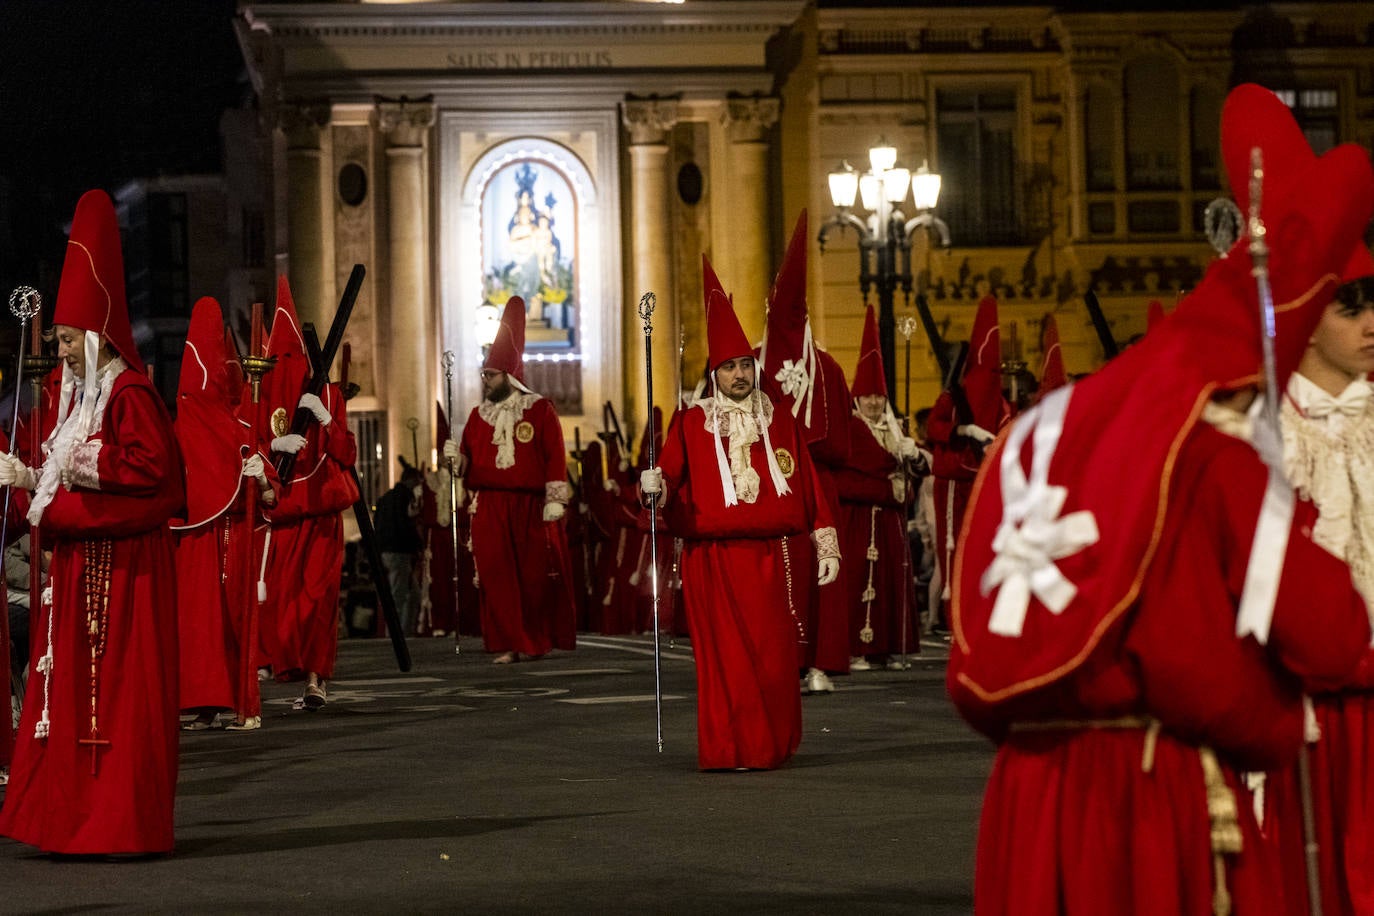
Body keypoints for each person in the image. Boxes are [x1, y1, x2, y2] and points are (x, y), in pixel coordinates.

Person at [947, 87, 1374, 914]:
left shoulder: (1048, 427)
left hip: (1024, 796)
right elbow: (1327, 633)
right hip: (1145, 790)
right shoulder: (1213, 447)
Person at [1223, 84, 1374, 916]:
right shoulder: (1258, 429)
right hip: (1300, 705)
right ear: (1309, 312)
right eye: (1351, 305)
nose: (1370, 323)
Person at [0, 189, 185, 855]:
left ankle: (115, 824)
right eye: (57, 339)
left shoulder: (130, 395)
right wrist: (28, 482)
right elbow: (61, 480)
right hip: (83, 573)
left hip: (124, 575)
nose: (62, 351)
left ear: (96, 334)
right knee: (73, 700)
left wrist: (72, 469)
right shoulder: (77, 402)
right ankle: (74, 821)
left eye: (68, 338)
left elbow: (153, 476)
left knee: (118, 704)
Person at [640, 256, 839, 771]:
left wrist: (825, 537)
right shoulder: (690, 423)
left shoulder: (781, 419)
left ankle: (771, 744)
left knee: (774, 660)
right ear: (714, 373)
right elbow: (667, 484)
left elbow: (811, 486)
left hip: (775, 556)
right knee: (726, 662)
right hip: (715, 559)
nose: (738, 374)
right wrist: (652, 487)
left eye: (744, 365)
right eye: (728, 367)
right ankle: (731, 749)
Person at [445, 296, 576, 664]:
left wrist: (555, 498)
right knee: (496, 575)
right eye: (484, 375)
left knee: (532, 577)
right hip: (489, 504)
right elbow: (467, 461)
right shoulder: (477, 415)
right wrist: (456, 460)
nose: (485, 380)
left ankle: (532, 641)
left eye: (491, 375)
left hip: (529, 505)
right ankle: (505, 642)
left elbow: (554, 454)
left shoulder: (539, 409)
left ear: (509, 375)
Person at [756, 211, 853, 694]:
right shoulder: (749, 365)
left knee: (821, 574)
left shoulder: (828, 369)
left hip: (816, 482)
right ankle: (776, 659)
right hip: (765, 484)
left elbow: (843, 440)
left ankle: (819, 661)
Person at [171, 297, 277, 732]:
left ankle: (239, 700)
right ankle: (203, 701)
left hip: (231, 536)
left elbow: (271, 495)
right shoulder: (182, 425)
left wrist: (264, 479)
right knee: (198, 627)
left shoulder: (241, 426)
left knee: (231, 623)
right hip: (193, 542)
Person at [260, 275, 358, 709]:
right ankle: (292, 668)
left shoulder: (327, 393)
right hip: (282, 516)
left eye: (290, 356)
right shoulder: (260, 395)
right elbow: (245, 448)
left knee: (319, 602)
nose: (285, 365)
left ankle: (317, 679)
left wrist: (326, 417)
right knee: (285, 606)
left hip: (320, 514)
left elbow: (348, 453)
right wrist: (271, 449)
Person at [835, 305, 924, 670]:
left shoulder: (895, 430)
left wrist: (910, 459)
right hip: (858, 522)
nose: (873, 402)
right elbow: (849, 480)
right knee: (857, 581)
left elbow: (910, 479)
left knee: (890, 582)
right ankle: (856, 647)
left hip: (887, 525)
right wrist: (891, 489)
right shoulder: (853, 430)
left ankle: (886, 646)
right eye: (868, 396)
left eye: (878, 397)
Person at [374, 461, 424, 637]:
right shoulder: (404, 497)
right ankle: (395, 633)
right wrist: (417, 545)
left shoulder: (387, 497)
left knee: (412, 593)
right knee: (399, 593)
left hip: (388, 549)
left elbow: (378, 523)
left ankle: (404, 631)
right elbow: (405, 525)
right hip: (399, 549)